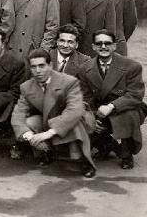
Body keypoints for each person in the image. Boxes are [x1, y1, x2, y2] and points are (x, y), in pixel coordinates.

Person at [11, 49, 96, 178]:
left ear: (50, 66)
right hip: (49, 119)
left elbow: (75, 111)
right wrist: (31, 137)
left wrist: (47, 134)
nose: (38, 71)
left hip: (76, 119)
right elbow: (18, 115)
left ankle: (84, 161)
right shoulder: (27, 86)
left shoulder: (68, 81)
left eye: (41, 66)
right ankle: (46, 152)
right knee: (28, 123)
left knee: (74, 124)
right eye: (33, 67)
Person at [80, 30, 147, 169]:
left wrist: (112, 106)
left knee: (129, 115)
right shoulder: (85, 68)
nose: (103, 47)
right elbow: (86, 97)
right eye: (99, 43)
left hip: (125, 107)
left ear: (115, 46)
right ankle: (107, 144)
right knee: (84, 120)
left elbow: (135, 94)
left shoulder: (132, 66)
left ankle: (126, 153)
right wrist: (92, 117)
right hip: (99, 110)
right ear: (93, 47)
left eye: (107, 43)